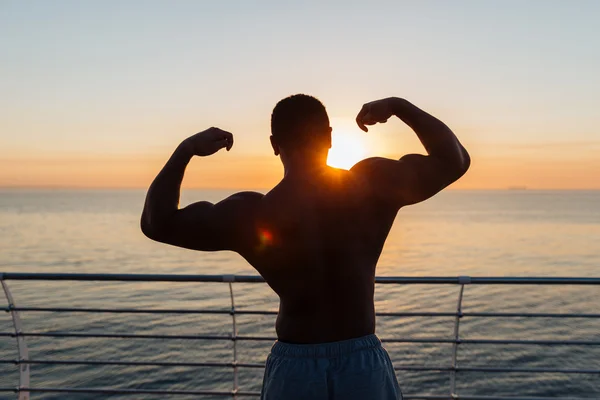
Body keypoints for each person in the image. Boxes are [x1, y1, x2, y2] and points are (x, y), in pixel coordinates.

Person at [141, 95, 470, 399]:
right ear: (328, 136)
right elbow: (454, 161)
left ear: (274, 145)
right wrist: (400, 107)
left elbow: (157, 223)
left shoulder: (252, 214)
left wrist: (185, 150)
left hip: (295, 370)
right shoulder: (372, 187)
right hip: (362, 365)